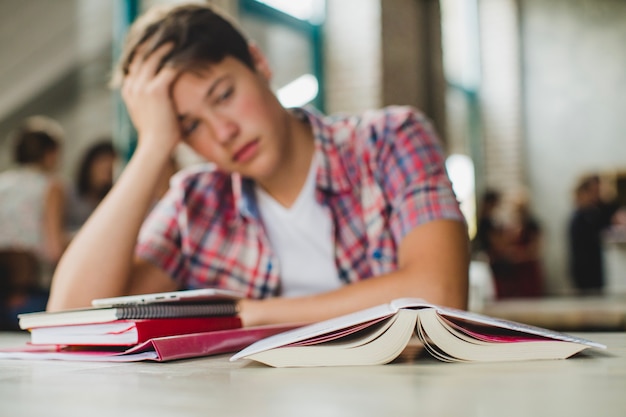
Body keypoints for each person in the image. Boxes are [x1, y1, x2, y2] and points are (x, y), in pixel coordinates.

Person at [47, 3, 469, 326]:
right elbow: (70, 318)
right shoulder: (196, 202)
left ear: (260, 64)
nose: (223, 132)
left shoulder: (389, 140)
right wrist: (153, 146)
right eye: (191, 125)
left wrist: (254, 313)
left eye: (224, 95)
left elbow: (439, 292)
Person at [0, 116, 68, 328]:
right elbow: (54, 250)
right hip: (32, 293)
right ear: (51, 154)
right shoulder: (50, 186)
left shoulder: (3, 183)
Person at [568, 174, 621, 294]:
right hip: (584, 267)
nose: (596, 195)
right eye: (594, 191)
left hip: (595, 265)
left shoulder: (594, 211)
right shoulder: (579, 215)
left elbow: (610, 212)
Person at [65, 140, 118, 234]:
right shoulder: (69, 194)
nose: (105, 176)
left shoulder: (114, 198)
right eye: (102, 168)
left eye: (109, 171)